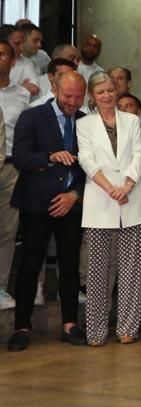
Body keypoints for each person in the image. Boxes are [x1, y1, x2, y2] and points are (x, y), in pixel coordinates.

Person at [7, 71, 87, 352]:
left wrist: (74, 195)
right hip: (36, 203)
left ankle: (70, 324)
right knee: (30, 264)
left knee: (69, 265)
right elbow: (20, 157)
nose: (73, 103)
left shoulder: (86, 122)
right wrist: (49, 157)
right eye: (68, 96)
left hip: (71, 203)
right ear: (54, 89)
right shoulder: (32, 116)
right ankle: (21, 326)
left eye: (79, 97)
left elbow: (90, 166)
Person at [77, 71, 141, 346]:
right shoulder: (84, 124)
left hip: (131, 201)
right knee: (97, 271)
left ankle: (127, 327)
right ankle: (95, 331)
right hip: (100, 200)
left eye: (110, 90)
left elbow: (139, 155)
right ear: (93, 97)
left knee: (132, 269)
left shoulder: (132, 120)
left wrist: (127, 185)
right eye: (101, 92)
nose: (107, 95)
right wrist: (110, 188)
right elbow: (86, 159)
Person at [0, 39, 31, 310]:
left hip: (10, 167)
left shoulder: (22, 95)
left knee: (8, 230)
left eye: (2, 55)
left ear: (12, 61)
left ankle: (0, 286)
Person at [108, 67, 141, 131]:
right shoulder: (100, 109)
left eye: (120, 78)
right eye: (112, 79)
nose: (115, 82)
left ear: (128, 84)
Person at [0, 25, 39, 98]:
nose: (22, 48)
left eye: (23, 43)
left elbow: (34, 89)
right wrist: (21, 87)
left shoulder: (26, 62)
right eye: (17, 44)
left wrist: (9, 90)